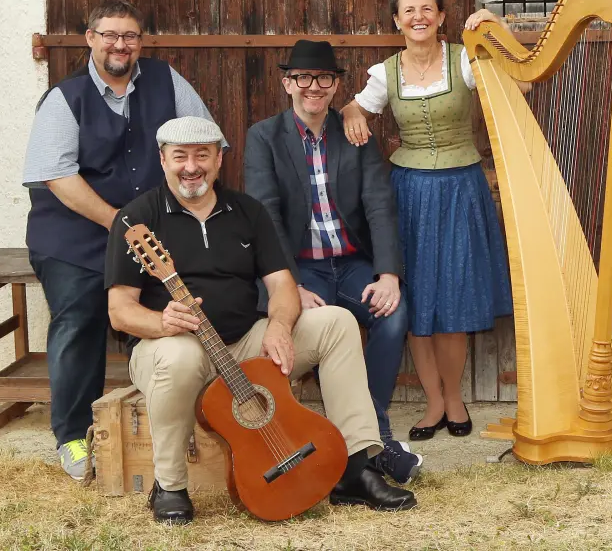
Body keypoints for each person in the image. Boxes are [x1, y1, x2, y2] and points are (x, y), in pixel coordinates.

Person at [105, 116, 417, 524]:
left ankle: (355, 468)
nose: (191, 166)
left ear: (219, 160)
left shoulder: (246, 211)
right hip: (172, 346)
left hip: (242, 341)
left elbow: (283, 286)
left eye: (202, 155)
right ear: (162, 160)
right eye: (180, 156)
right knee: (178, 357)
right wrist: (163, 322)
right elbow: (120, 311)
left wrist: (279, 326)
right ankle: (170, 485)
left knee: (337, 322)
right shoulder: (136, 219)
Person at [21, 0, 219, 482]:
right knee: (79, 317)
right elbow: (57, 177)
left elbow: (208, 144)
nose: (119, 45)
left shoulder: (168, 81)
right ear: (90, 39)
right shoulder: (64, 98)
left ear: (140, 41)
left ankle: (174, 424)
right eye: (109, 35)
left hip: (150, 232)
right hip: (75, 234)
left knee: (182, 306)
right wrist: (121, 223)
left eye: (129, 36)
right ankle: (71, 436)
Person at [340, 0, 513, 442]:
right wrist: (351, 112)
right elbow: (355, 109)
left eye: (427, 9)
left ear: (441, 17)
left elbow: (515, 78)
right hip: (409, 191)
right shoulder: (385, 73)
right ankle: (433, 401)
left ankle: (453, 397)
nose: (418, 17)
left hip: (461, 187)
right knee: (415, 299)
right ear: (397, 21)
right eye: (409, 10)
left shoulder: (464, 59)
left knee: (454, 297)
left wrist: (494, 27)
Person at [243, 40, 422, 484]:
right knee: (325, 327)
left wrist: (388, 275)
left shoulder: (354, 132)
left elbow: (380, 205)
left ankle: (369, 428)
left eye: (324, 78)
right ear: (287, 83)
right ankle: (377, 442)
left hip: (352, 262)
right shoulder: (264, 137)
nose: (313, 87)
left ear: (336, 84)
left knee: (394, 315)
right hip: (301, 269)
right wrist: (288, 287)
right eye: (303, 78)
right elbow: (264, 216)